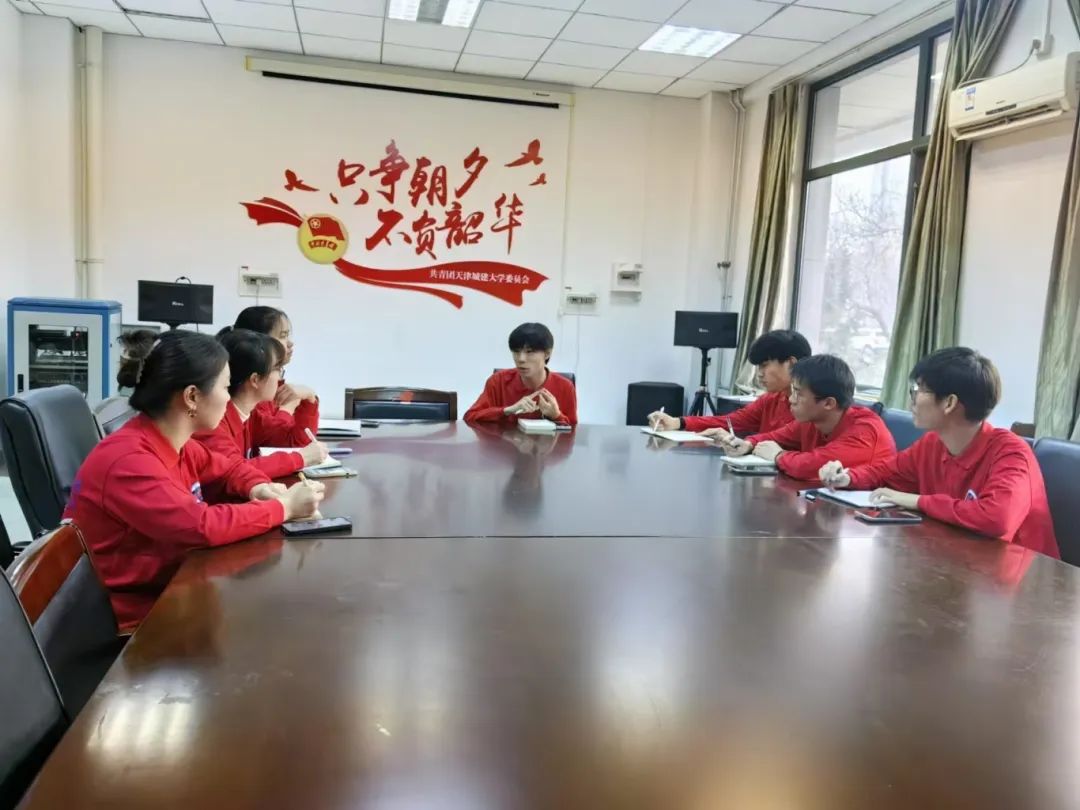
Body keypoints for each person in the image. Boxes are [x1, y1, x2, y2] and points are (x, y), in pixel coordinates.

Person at [64, 329, 324, 630]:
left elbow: (229, 468)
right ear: (191, 397)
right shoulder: (129, 460)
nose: (228, 398)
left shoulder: (174, 442)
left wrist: (260, 487)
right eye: (225, 387)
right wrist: (285, 508)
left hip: (173, 589)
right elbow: (201, 526)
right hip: (137, 621)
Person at [818, 347, 1060, 558]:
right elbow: (886, 473)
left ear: (949, 403)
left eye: (919, 390)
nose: (912, 400)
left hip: (1022, 581)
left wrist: (917, 501)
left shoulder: (1011, 453)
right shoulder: (933, 443)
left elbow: (997, 518)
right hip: (957, 562)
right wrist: (847, 477)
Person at [726, 354, 896, 481]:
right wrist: (747, 444)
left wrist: (778, 455)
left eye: (798, 394)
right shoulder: (812, 420)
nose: (791, 400)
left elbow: (811, 466)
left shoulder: (865, 431)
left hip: (869, 515)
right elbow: (775, 437)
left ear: (828, 403)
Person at [194, 328, 328, 483]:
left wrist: (309, 399)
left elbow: (294, 441)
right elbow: (235, 470)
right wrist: (300, 458)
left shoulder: (250, 416)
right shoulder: (213, 422)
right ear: (255, 380)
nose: (280, 378)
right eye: (277, 369)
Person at [649, 329, 811, 439]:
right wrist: (678, 422)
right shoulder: (771, 399)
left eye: (764, 365)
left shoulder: (813, 407)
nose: (760, 373)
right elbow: (731, 421)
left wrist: (747, 443)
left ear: (791, 364)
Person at [463, 322, 578, 426]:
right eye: (516, 352)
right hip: (503, 443)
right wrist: (508, 410)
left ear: (547, 353)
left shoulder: (565, 387)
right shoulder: (498, 381)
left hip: (549, 444)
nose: (521, 359)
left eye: (529, 352)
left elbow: (574, 432)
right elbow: (470, 417)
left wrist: (556, 416)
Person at [228, 306, 320, 427]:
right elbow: (273, 434)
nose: (290, 343)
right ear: (259, 340)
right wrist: (287, 408)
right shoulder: (254, 391)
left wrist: (309, 396)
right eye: (282, 336)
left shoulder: (267, 385)